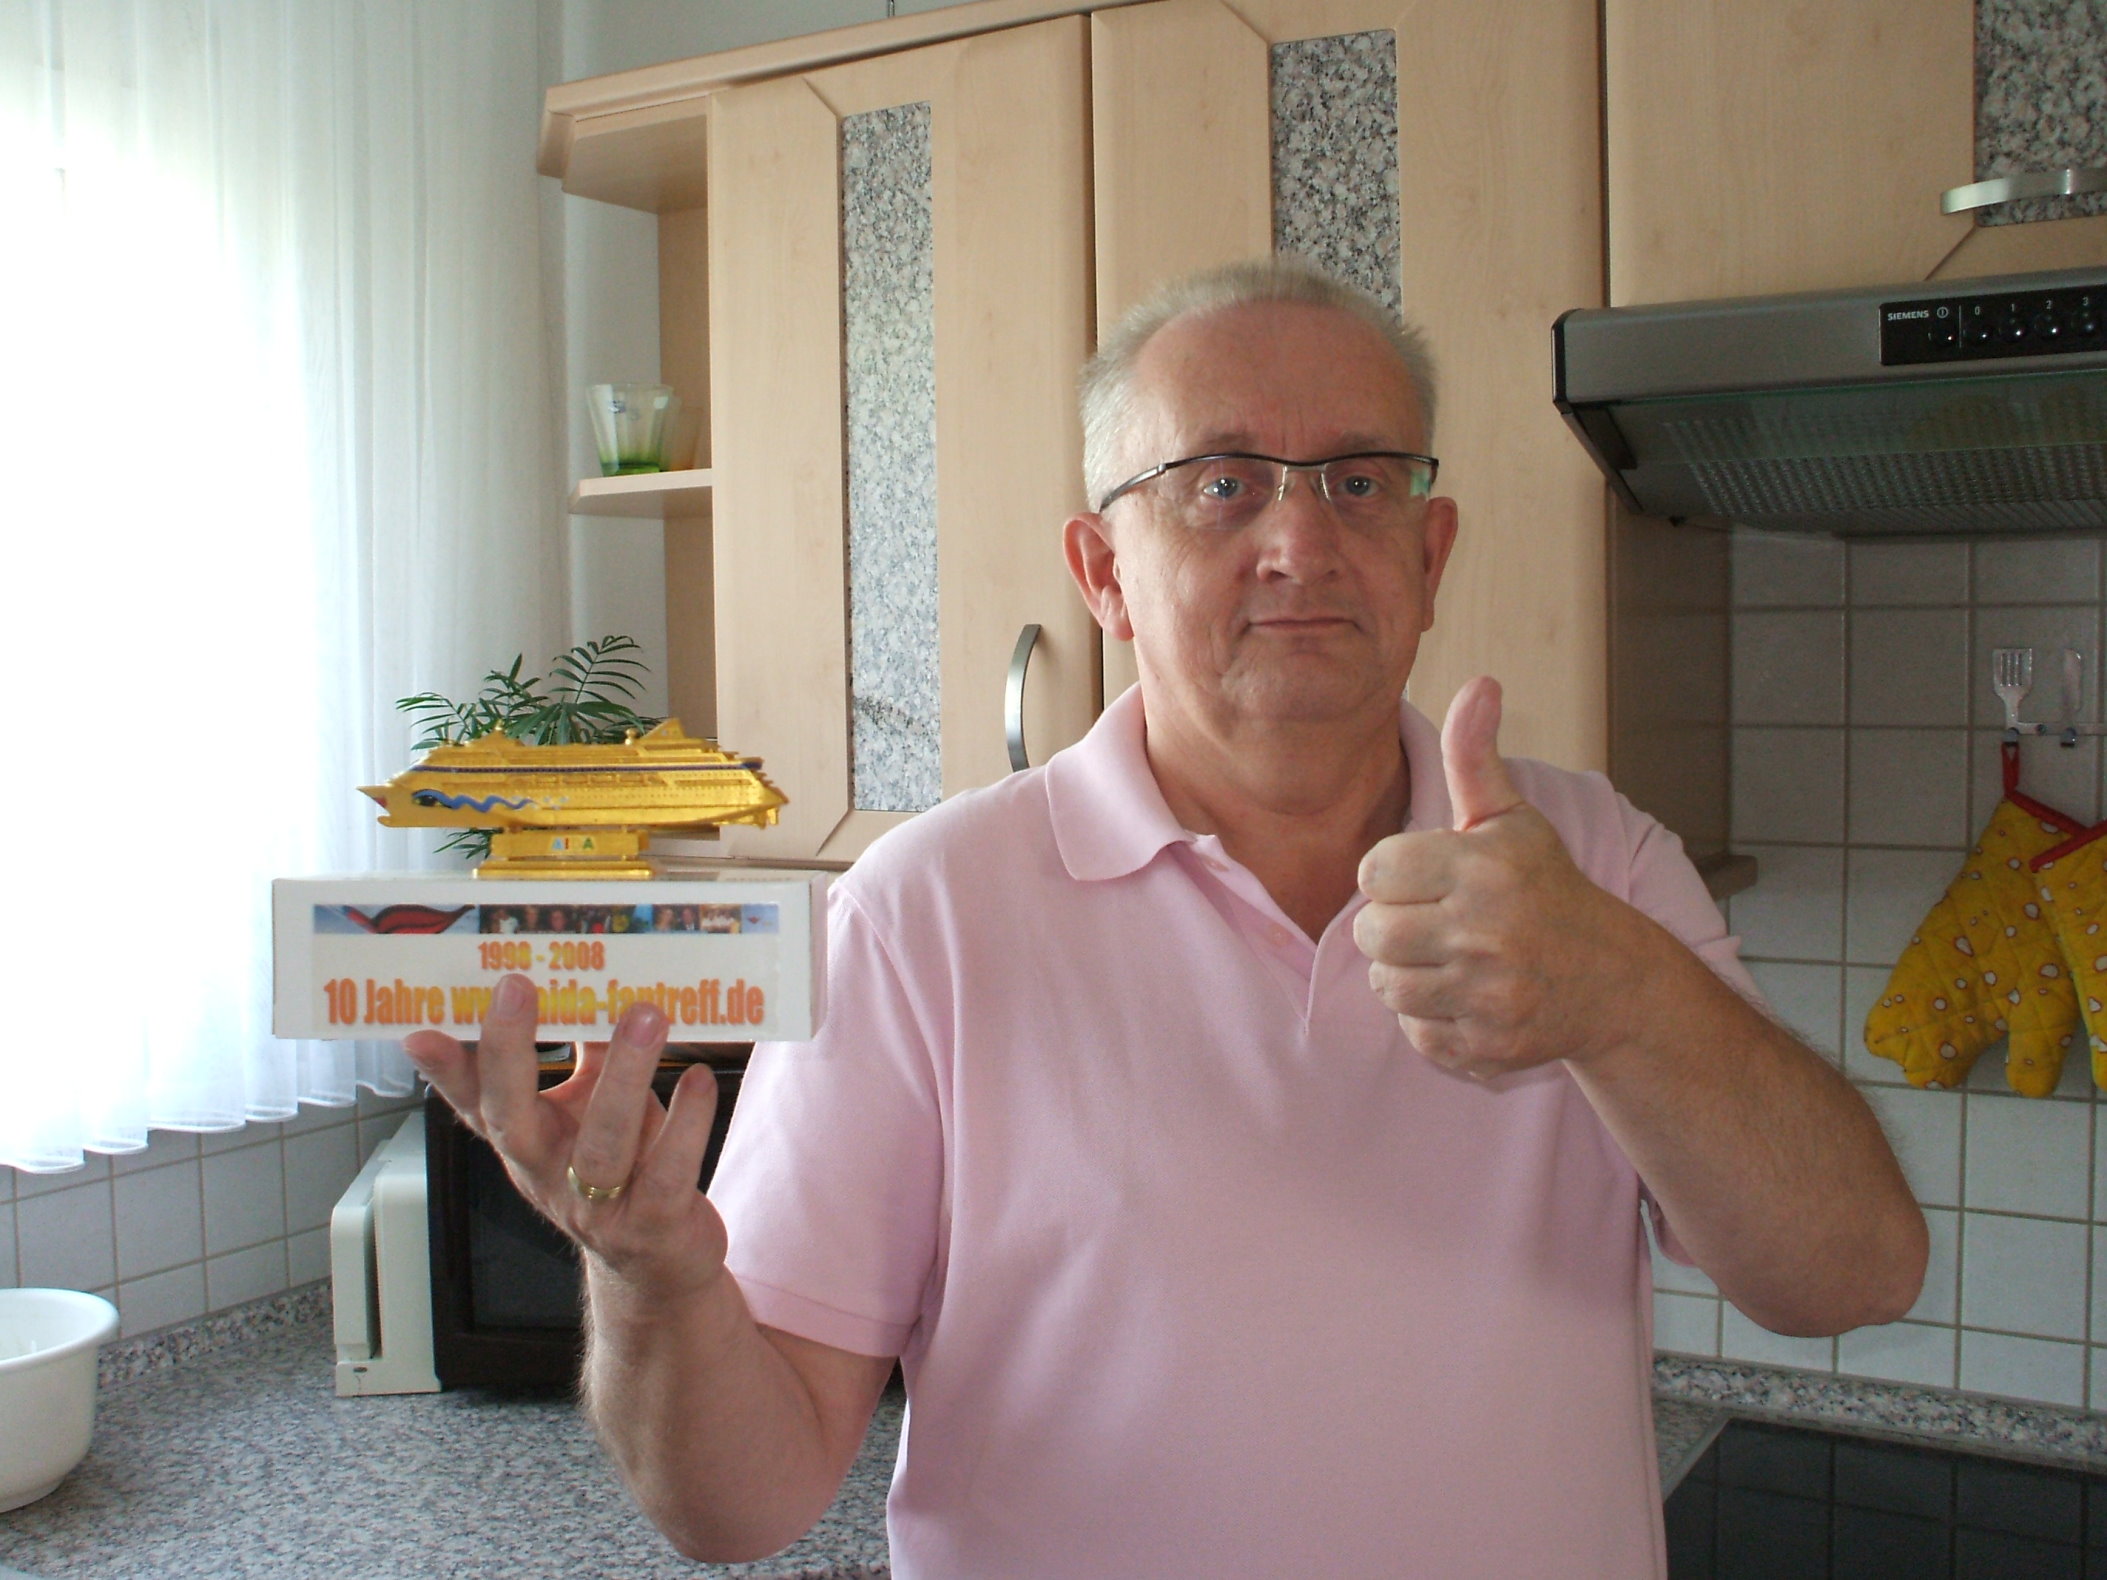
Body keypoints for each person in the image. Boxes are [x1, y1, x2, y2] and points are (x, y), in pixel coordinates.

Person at [405, 259, 1925, 1579]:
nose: (1301, 541)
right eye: (1220, 483)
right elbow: (738, 1508)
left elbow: (1853, 1275)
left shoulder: (1592, 864)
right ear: (1103, 572)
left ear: (1430, 552)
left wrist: (1628, 998)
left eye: (1359, 480)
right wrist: (652, 1283)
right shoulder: (921, 915)